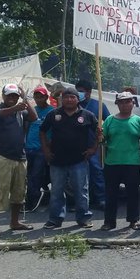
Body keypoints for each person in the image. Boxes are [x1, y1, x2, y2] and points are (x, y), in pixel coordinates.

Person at [40, 87, 98, 229]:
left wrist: (93, 148)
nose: (69, 99)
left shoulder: (87, 115)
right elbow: (42, 131)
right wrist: (46, 150)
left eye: (72, 97)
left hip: (79, 161)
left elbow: (99, 132)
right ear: (61, 99)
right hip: (57, 160)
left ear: (78, 99)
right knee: (56, 192)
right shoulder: (53, 114)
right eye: (66, 97)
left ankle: (83, 218)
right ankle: (55, 219)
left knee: (81, 191)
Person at [0, 83, 38, 239]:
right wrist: (16, 108)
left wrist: (25, 100)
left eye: (15, 96)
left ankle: (14, 222)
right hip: (2, 156)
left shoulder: (21, 111)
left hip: (20, 157)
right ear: (3, 96)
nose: (12, 98)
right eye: (9, 95)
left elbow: (34, 117)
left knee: (19, 192)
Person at [99, 91, 140, 231]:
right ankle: (109, 222)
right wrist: (100, 135)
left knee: (133, 193)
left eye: (128, 101)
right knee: (111, 194)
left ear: (133, 103)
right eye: (122, 102)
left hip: (132, 163)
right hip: (112, 163)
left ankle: (133, 220)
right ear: (117, 104)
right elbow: (103, 141)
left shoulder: (139, 121)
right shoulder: (109, 120)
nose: (125, 104)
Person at [75, 79, 110, 209]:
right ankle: (82, 201)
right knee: (79, 174)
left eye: (81, 92)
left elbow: (108, 121)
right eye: (77, 91)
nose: (79, 94)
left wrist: (102, 134)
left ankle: (100, 198)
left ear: (89, 92)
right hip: (76, 146)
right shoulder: (73, 105)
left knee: (97, 172)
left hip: (94, 145)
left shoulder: (98, 105)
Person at [25, 86, 54, 211]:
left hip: (42, 149)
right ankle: (43, 194)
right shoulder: (32, 110)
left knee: (35, 175)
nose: (38, 99)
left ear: (46, 97)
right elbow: (25, 128)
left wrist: (49, 148)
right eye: (36, 97)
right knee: (28, 175)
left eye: (41, 96)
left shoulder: (52, 111)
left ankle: (31, 201)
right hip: (29, 148)